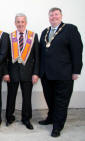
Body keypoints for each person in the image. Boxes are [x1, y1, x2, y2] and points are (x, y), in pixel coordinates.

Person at [39, 7, 83, 137]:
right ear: (49, 17)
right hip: (46, 74)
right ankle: (51, 118)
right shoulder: (45, 32)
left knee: (61, 101)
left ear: (61, 16)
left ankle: (57, 126)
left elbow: (77, 51)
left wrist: (76, 70)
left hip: (64, 74)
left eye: (56, 14)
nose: (54, 17)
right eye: (51, 15)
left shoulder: (70, 29)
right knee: (50, 99)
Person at [3, 13, 39, 130]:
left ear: (26, 22)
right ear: (15, 23)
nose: (20, 24)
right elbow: (5, 57)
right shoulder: (10, 36)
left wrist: (35, 73)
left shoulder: (33, 36)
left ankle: (26, 119)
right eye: (18, 22)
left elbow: (37, 57)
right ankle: (9, 117)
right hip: (12, 73)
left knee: (27, 97)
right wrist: (6, 72)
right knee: (11, 97)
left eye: (22, 22)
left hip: (28, 73)